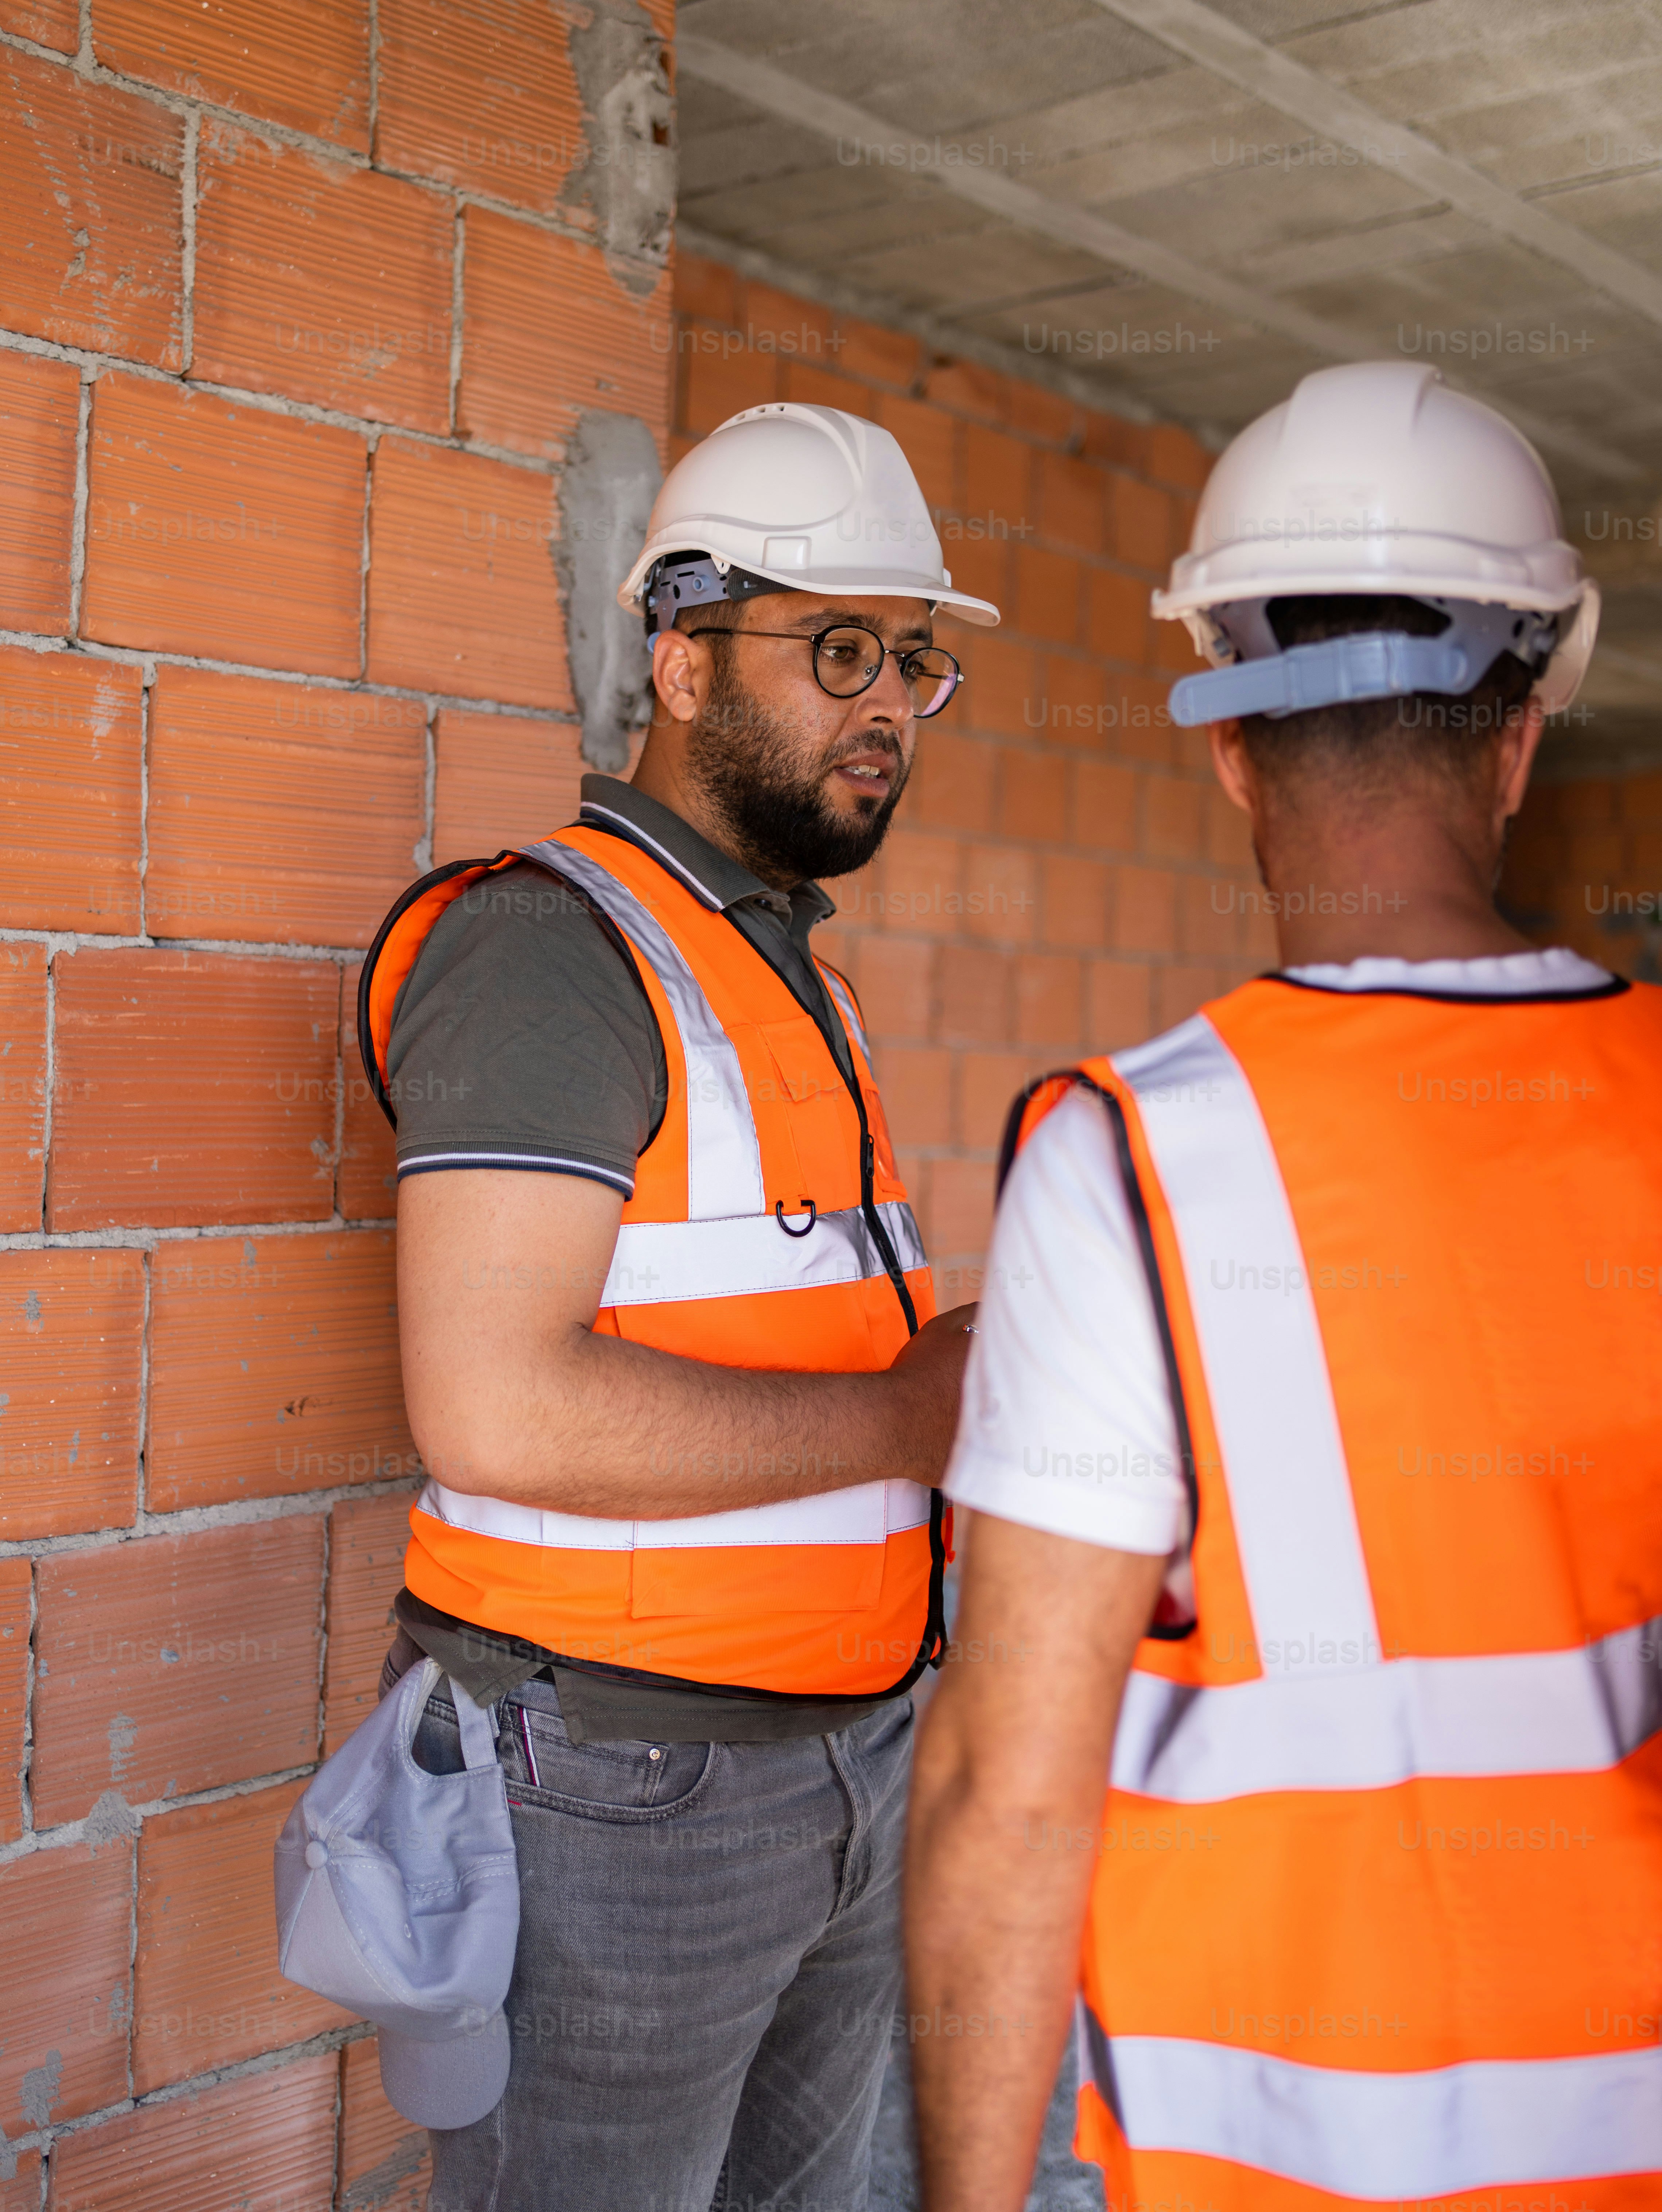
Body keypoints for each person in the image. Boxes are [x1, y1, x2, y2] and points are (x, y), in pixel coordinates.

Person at [904, 361, 1662, 2210]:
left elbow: (1007, 1797)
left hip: (1268, 2163)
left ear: (1230, 741)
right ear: (1521, 734)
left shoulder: (1130, 1161)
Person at [358, 401, 994, 2211]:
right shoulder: (557, 948)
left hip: (841, 1755)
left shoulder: (786, 964)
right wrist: (908, 1416)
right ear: (685, 661)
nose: (889, 704)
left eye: (917, 663)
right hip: (621, 1786)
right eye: (843, 649)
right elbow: (494, 1407)